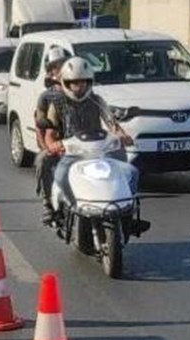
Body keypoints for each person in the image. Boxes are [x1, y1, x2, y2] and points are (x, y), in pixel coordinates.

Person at [39, 57, 135, 224]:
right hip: (72, 153)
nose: (79, 87)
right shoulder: (57, 103)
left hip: (101, 151)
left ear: (89, 82)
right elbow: (50, 133)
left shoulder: (97, 101)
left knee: (131, 172)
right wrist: (53, 145)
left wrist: (122, 136)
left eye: (83, 82)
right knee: (58, 174)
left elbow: (112, 123)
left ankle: (128, 212)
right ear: (65, 83)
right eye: (74, 83)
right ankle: (56, 206)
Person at [35, 46, 70, 224]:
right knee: (43, 160)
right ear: (50, 71)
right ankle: (48, 203)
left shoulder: (84, 90)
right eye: (56, 66)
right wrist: (47, 148)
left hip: (82, 145)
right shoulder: (46, 98)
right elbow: (41, 128)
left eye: (64, 64)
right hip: (55, 145)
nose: (60, 69)